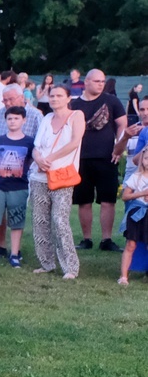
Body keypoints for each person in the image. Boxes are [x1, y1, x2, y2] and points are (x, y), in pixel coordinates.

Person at [30, 84, 83, 279]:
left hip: (62, 176)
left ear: (68, 98)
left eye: (59, 96)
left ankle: (70, 267)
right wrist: (38, 159)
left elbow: (75, 142)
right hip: (39, 176)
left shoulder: (76, 116)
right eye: (52, 96)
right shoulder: (46, 118)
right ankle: (47, 263)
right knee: (40, 221)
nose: (54, 99)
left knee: (60, 220)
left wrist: (49, 159)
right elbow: (36, 146)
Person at [72, 68, 129, 251]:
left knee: (107, 200)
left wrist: (119, 146)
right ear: (86, 82)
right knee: (84, 200)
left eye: (103, 81)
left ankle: (106, 240)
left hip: (107, 157)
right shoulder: (74, 104)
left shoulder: (111, 101)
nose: (101, 84)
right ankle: (86, 239)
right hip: (81, 159)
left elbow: (122, 124)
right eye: (97, 81)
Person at [0, 105, 33, 268]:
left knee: (17, 222)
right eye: (10, 118)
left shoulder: (29, 142)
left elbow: (31, 164)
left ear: (24, 120)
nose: (13, 121)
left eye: (16, 118)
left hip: (19, 188)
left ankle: (14, 254)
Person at [117, 143, 148, 285]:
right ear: (142, 160)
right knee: (131, 244)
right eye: (146, 158)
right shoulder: (136, 177)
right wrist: (141, 193)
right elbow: (125, 196)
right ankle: (123, 276)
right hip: (136, 214)